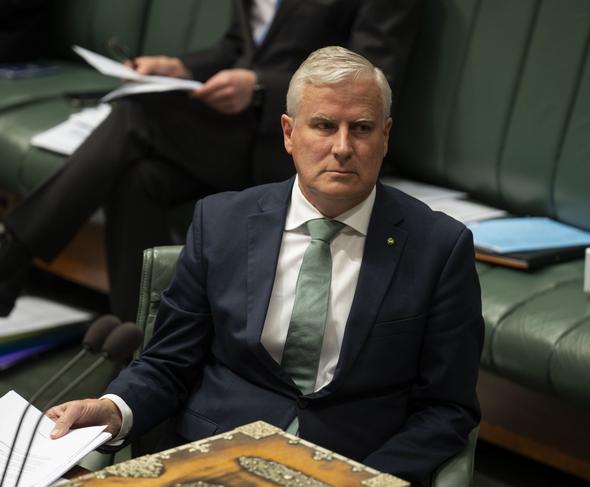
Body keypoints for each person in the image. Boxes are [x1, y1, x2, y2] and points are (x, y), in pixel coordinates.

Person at [46, 46, 484, 486]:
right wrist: (113, 409)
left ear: (386, 136)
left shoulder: (438, 248)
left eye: (363, 128)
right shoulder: (220, 223)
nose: (343, 147)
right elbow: (168, 364)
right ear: (289, 133)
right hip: (213, 462)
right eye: (325, 125)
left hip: (352, 465)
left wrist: (369, 479)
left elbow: (447, 408)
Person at [0, 0, 421, 320]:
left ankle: (13, 251)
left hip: (311, 146)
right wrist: (180, 67)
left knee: (138, 114)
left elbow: (372, 71)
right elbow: (240, 46)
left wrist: (258, 85)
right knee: (139, 177)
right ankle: (139, 342)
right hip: (239, 134)